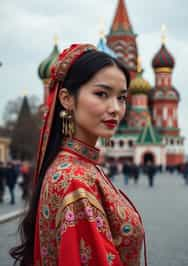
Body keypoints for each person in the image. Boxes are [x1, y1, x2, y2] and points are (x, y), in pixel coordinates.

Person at [10, 44, 147, 266]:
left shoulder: (74, 166)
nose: (115, 108)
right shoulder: (75, 180)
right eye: (101, 94)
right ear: (66, 99)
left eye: (121, 98)